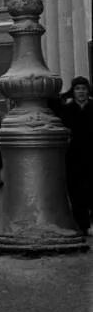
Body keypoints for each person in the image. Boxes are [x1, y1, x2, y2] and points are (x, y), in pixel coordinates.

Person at [57, 76, 93, 235]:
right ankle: (82, 224)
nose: (81, 92)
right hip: (74, 156)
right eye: (78, 89)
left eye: (84, 88)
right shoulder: (67, 110)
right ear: (73, 91)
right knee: (76, 191)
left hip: (91, 154)